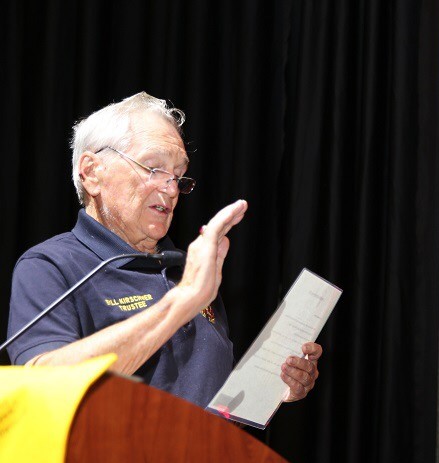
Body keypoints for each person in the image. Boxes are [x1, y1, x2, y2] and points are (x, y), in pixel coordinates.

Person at [7, 92, 321, 407]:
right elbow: (42, 387)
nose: (171, 190)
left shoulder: (185, 271)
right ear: (92, 172)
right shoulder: (49, 265)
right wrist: (181, 304)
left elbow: (208, 398)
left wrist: (274, 388)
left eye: (178, 176)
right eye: (153, 168)